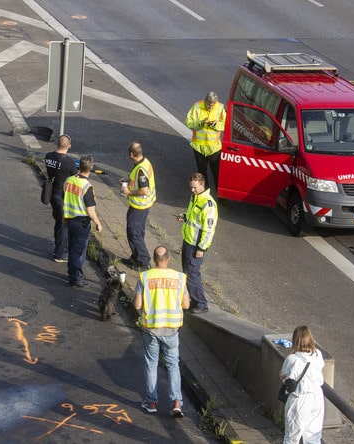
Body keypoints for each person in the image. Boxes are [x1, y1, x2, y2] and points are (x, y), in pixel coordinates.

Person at [134, 245, 190, 418]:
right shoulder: (179, 278)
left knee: (151, 364)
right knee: (173, 365)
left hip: (151, 329)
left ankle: (151, 401)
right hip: (172, 329)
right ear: (168, 259)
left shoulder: (145, 277)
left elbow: (137, 305)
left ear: (154, 259)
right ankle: (176, 402)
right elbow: (186, 304)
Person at [177, 172, 217, 313]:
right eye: (191, 187)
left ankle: (201, 303)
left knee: (193, 274)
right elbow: (195, 219)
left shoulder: (208, 204)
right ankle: (194, 299)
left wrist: (201, 248)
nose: (192, 190)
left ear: (202, 185)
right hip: (188, 241)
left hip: (196, 246)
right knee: (187, 273)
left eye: (194, 187)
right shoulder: (195, 197)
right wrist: (185, 216)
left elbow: (208, 230)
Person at [280, 326, 325, 444]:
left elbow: (284, 376)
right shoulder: (317, 355)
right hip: (317, 396)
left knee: (292, 437)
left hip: (299, 398)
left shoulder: (292, 359)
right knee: (313, 436)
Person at [63, 156, 102, 287]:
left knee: (72, 247)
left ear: (79, 167)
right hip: (82, 222)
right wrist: (98, 223)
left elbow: (65, 198)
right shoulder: (87, 187)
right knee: (78, 252)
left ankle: (71, 273)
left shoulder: (69, 180)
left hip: (69, 219)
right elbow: (90, 211)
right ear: (90, 168)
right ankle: (76, 279)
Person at [119, 141, 156, 270]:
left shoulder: (140, 169)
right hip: (142, 206)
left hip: (140, 207)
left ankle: (143, 261)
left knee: (134, 234)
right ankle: (136, 257)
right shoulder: (144, 162)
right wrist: (128, 181)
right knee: (137, 232)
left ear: (130, 154)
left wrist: (129, 192)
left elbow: (144, 190)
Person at [45, 134, 78, 262]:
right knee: (64, 224)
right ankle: (61, 253)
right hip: (62, 196)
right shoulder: (68, 161)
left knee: (59, 221)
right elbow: (76, 176)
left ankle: (59, 244)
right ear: (69, 146)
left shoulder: (48, 156)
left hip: (52, 193)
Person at [185, 91, 226, 191]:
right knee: (202, 172)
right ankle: (205, 192)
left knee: (216, 172)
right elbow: (188, 122)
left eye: (213, 105)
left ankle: (221, 196)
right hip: (199, 147)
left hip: (214, 148)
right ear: (205, 101)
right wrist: (200, 123)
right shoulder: (197, 106)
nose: (210, 107)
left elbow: (225, 124)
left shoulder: (220, 108)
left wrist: (216, 124)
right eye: (208, 104)